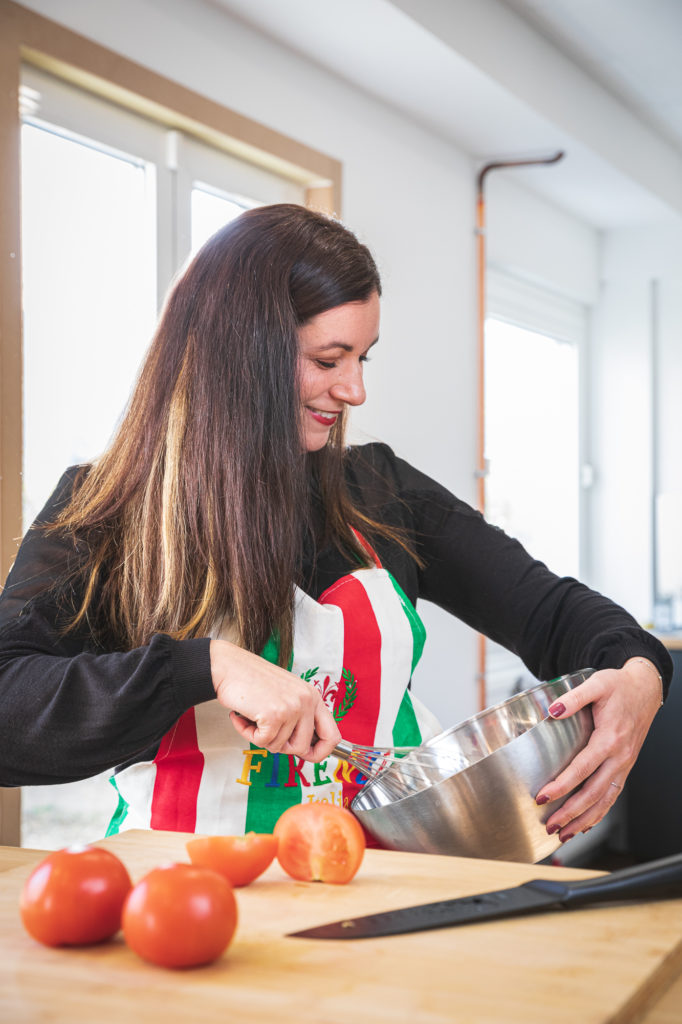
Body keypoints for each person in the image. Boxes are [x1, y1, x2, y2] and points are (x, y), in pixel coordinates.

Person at [0, 203, 672, 846]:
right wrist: (204, 666)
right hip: (189, 900)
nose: (354, 391)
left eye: (362, 358)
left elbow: (557, 616)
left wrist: (642, 673)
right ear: (244, 355)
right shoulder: (106, 511)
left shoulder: (384, 493)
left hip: (386, 887)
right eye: (328, 360)